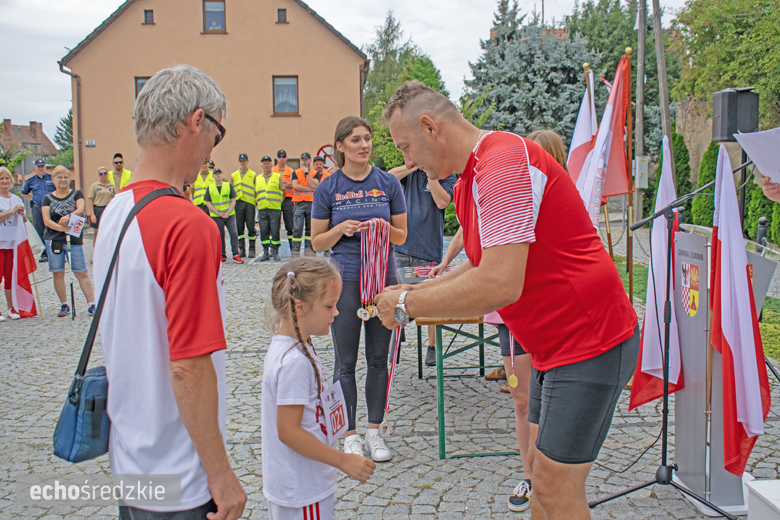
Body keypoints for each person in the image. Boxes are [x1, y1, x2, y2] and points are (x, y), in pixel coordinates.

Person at [376, 81, 639, 520]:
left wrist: (407, 307)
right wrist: (416, 291)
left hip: (591, 340)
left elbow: (500, 283)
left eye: (406, 146)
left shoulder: (502, 163)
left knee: (556, 490)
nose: (408, 161)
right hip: (552, 347)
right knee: (538, 475)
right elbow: (479, 265)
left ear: (430, 126)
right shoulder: (469, 180)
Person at [93, 64, 246, 519]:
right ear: (197, 122)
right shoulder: (188, 224)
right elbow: (189, 366)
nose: (213, 151)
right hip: (181, 473)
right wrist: (220, 474)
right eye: (218, 135)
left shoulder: (115, 212)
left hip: (133, 461)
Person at [311, 116, 408, 462]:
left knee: (380, 359)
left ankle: (375, 432)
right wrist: (342, 230)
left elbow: (401, 236)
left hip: (384, 279)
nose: (364, 145)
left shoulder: (387, 183)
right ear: (340, 146)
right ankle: (350, 434)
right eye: (355, 140)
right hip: (346, 282)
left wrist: (382, 226)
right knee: (346, 361)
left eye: (367, 139)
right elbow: (317, 241)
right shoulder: (329, 188)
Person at [263, 257, 376, 519]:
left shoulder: (294, 346)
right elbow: (288, 431)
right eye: (329, 306)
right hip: (302, 488)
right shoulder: (294, 362)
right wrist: (343, 460)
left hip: (301, 484)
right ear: (300, 308)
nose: (336, 313)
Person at [389, 164, 455, 367]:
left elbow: (442, 202)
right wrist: (413, 165)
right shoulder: (409, 173)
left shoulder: (446, 174)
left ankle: (432, 346)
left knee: (431, 301)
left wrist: (431, 174)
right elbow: (389, 177)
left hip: (428, 249)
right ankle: (395, 341)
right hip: (401, 247)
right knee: (396, 295)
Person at [41, 165, 96, 317]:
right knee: (58, 273)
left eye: (65, 177)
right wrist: (60, 228)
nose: (63, 180)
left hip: (74, 238)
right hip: (54, 239)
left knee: (81, 272)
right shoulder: (47, 198)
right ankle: (64, 304)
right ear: (53, 180)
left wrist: (68, 217)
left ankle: (91, 304)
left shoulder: (76, 193)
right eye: (59, 177)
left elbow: (81, 209)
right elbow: (46, 220)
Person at [0, 166, 26, 321]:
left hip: (12, 244)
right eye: (1, 178)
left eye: (7, 178)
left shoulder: (16, 199)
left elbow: (22, 221)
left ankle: (11, 307)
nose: (4, 181)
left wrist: (22, 214)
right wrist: (11, 211)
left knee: (10, 277)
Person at [204, 168, 243, 264]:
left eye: (219, 173)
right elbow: (208, 203)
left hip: (230, 215)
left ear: (222, 175)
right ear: (213, 176)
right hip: (216, 216)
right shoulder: (210, 188)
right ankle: (222, 255)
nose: (217, 175)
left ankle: (235, 254)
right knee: (220, 235)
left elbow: (233, 200)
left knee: (234, 233)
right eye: (216, 174)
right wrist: (217, 213)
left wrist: (228, 212)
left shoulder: (228, 186)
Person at [19, 158, 54, 262]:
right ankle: (44, 253)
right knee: (40, 229)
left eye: (42, 166)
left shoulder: (51, 178)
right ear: (35, 168)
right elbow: (23, 193)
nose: (40, 168)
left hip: (50, 207)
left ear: (45, 167)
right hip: (37, 207)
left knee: (52, 227)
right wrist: (33, 198)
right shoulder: (31, 180)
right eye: (38, 167)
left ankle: (54, 250)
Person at [256, 155, 284, 262]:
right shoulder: (258, 178)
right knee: (263, 231)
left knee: (275, 230)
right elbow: (256, 193)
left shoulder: (277, 176)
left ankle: (275, 252)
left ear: (271, 165)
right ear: (261, 165)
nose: (266, 165)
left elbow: (283, 191)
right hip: (262, 208)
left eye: (268, 163)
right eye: (264, 163)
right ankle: (265, 252)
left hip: (274, 208)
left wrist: (278, 203)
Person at [292, 152, 318, 256]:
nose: (304, 161)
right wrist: (309, 188)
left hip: (311, 204)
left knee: (310, 229)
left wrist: (306, 173)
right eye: (302, 159)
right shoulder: (296, 172)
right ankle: (295, 252)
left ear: (310, 160)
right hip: (299, 204)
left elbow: (314, 185)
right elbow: (295, 186)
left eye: (306, 159)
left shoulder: (315, 173)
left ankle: (309, 251)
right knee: (297, 228)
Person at [231, 153, 257, 258]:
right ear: (239, 162)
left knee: (251, 226)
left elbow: (255, 189)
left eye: (244, 161)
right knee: (239, 227)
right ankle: (242, 249)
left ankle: (252, 249)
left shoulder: (253, 174)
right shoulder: (234, 175)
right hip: (238, 203)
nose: (243, 163)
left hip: (249, 202)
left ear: (248, 161)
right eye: (241, 161)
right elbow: (232, 190)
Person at [86, 166, 118, 243]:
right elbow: (90, 199)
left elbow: (118, 197)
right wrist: (92, 214)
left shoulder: (112, 186)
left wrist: (113, 200)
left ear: (108, 174)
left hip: (109, 210)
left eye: (105, 173)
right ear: (98, 175)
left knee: (109, 231)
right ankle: (95, 252)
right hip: (98, 209)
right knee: (97, 233)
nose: (103, 175)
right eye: (101, 174)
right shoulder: (95, 186)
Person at [273, 149, 295, 253]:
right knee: (275, 225)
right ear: (277, 158)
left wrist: (283, 184)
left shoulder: (291, 171)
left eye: (283, 156)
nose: (282, 158)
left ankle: (292, 247)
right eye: (280, 156)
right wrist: (285, 183)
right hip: (276, 200)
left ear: (286, 158)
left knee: (290, 225)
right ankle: (275, 249)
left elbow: (293, 184)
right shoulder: (272, 170)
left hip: (288, 200)